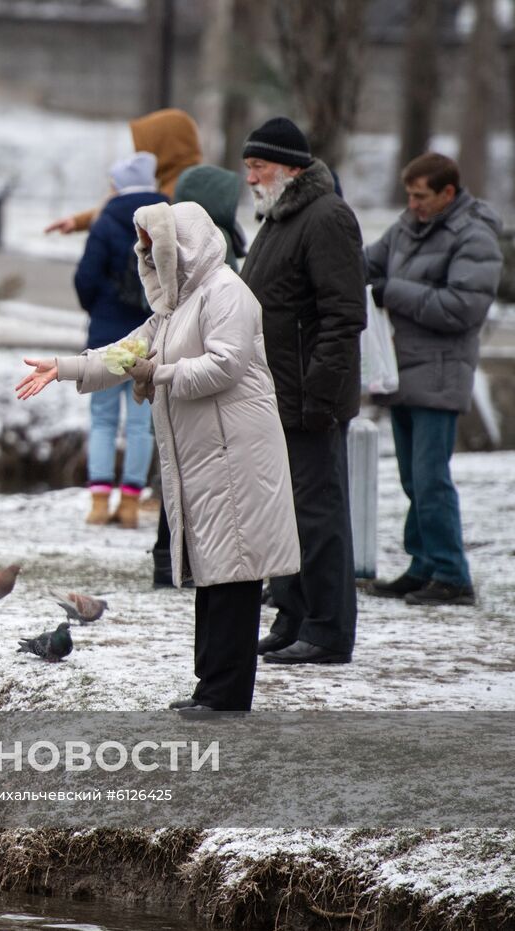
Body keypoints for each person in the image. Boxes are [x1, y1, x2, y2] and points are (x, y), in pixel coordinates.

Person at [17, 202, 300, 712]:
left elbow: (224, 367)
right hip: (210, 458)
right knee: (214, 573)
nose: (145, 257)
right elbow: (126, 353)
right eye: (143, 248)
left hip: (236, 457)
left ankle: (225, 696)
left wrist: (158, 374)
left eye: (153, 247)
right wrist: (61, 367)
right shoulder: (177, 306)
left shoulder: (226, 293)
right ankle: (210, 688)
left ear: (180, 247)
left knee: (234, 576)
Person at [237, 117, 366, 665]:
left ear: (291, 168)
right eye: (246, 167)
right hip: (274, 398)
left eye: (258, 166)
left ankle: (328, 629)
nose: (250, 177)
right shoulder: (279, 216)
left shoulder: (327, 217)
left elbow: (343, 315)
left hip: (309, 401)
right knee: (281, 517)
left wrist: (319, 393)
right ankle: (292, 615)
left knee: (318, 516)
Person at [366, 152, 502, 606]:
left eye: (420, 195)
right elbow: (370, 262)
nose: (412, 203)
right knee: (412, 477)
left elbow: (463, 307)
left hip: (441, 372)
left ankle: (451, 572)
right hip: (403, 369)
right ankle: (422, 565)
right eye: (409, 194)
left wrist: (393, 292)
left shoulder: (474, 237)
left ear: (447, 193)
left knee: (430, 478)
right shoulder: (408, 226)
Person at [146, 163, 248, 585]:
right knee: (197, 480)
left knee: (176, 474)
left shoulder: (178, 241)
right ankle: (180, 560)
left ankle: (167, 558)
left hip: (179, 377)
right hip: (196, 383)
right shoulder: (214, 247)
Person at [72, 152, 170, 528]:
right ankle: (130, 505)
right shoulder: (167, 216)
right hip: (152, 335)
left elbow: (85, 278)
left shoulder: (107, 219)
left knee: (102, 418)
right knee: (140, 421)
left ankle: (98, 503)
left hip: (107, 334)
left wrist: (98, 308)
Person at [44, 108, 203, 234]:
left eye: (146, 146)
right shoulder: (177, 181)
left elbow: (131, 210)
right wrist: (78, 221)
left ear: (165, 146)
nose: (139, 156)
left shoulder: (181, 190)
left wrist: (81, 221)